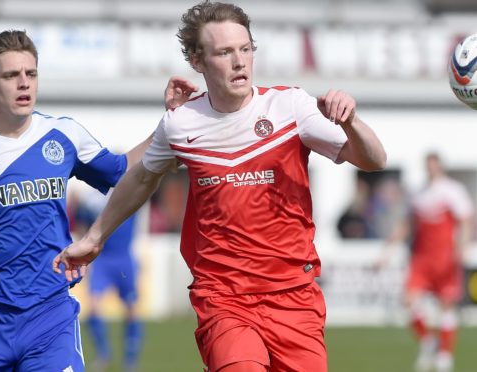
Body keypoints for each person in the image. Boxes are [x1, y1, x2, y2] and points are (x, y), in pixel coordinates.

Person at [53, 2, 387, 372]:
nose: (239, 61)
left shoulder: (290, 107)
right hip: (223, 297)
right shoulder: (181, 124)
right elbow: (141, 177)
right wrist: (96, 236)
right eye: (225, 52)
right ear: (198, 62)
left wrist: (352, 121)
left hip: (294, 296)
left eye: (245, 49)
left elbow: (374, 160)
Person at [0, 29, 196, 371]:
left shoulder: (64, 136)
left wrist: (168, 123)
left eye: (31, 74)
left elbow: (121, 170)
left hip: (50, 316)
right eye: (11, 75)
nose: (24, 83)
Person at [377, 153, 473, 372]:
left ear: (440, 167)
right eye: (427, 166)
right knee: (409, 301)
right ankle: (429, 341)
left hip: (445, 257)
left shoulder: (452, 191)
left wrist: (463, 247)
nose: (430, 170)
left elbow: (466, 220)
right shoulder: (418, 194)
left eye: (434, 166)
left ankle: (445, 355)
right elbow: (406, 226)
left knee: (446, 305)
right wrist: (386, 253)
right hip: (421, 258)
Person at [74, 188, 142, 372]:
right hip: (102, 259)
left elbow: (146, 183)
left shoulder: (129, 189)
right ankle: (103, 354)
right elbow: (81, 225)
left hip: (124, 258)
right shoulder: (89, 199)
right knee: (93, 307)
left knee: (132, 310)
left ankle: (130, 360)